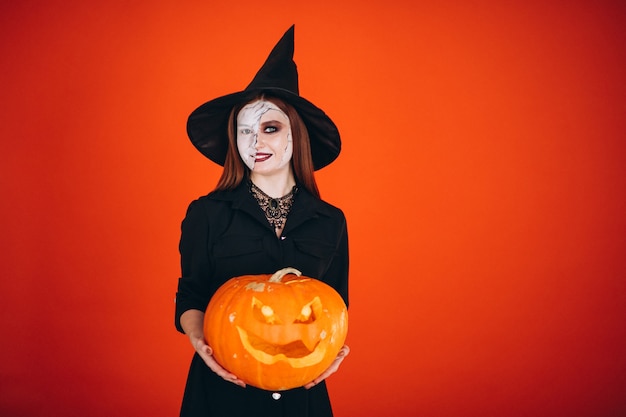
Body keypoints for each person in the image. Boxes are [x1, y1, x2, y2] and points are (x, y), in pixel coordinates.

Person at [175, 25, 350, 417]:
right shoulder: (207, 213)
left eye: (270, 128)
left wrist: (334, 354)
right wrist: (200, 340)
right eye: (244, 131)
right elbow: (191, 295)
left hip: (302, 396)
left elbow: (337, 304)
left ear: (296, 135)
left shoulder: (330, 221)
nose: (256, 142)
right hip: (222, 393)